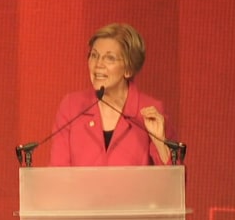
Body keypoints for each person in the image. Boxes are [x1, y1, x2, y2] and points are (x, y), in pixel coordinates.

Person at [49, 23, 177, 166]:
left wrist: (160, 143)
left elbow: (174, 182)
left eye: (109, 58)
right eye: (94, 55)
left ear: (128, 69)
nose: (98, 64)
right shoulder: (72, 107)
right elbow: (57, 173)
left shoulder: (150, 111)